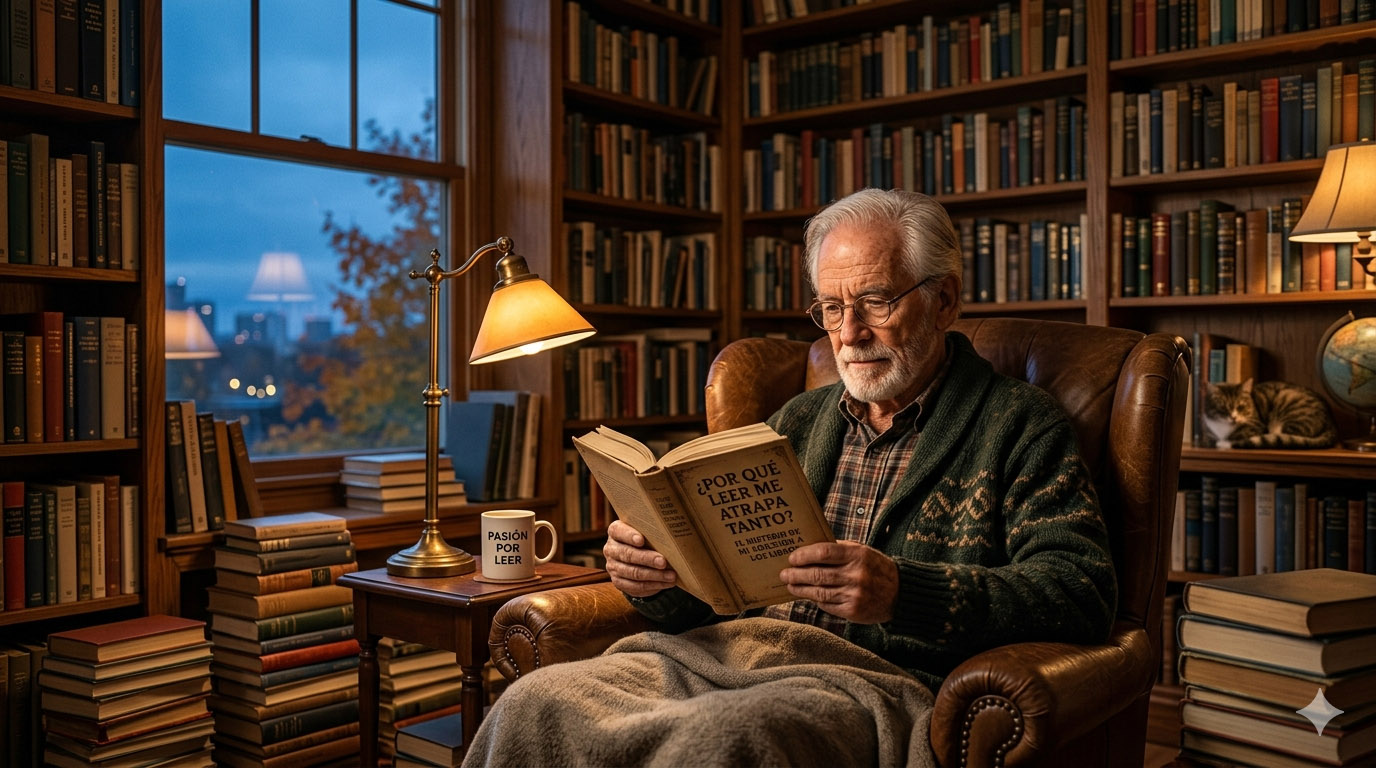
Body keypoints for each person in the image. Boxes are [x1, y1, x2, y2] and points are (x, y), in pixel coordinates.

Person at [462, 189, 1116, 766]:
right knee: (535, 701)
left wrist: (904, 593)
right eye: (830, 308)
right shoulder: (795, 422)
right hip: (725, 653)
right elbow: (714, 593)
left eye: (875, 301)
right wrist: (658, 576)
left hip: (870, 681)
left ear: (943, 300)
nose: (850, 333)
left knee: (720, 739)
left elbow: (1079, 591)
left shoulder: (1017, 424)